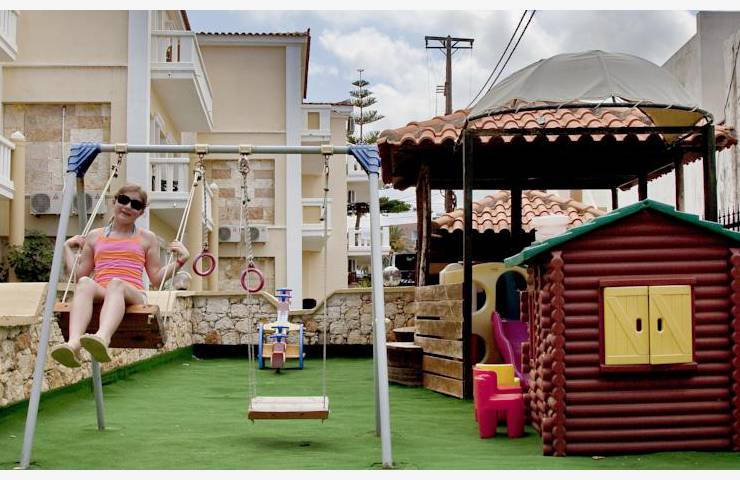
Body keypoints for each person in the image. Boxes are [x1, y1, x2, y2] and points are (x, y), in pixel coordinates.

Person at [50, 183, 190, 368]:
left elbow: (156, 279)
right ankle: (74, 343)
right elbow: (78, 276)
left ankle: (102, 338)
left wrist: (181, 261)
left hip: (134, 294)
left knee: (116, 283)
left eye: (135, 205)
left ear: (141, 212)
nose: (128, 206)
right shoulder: (94, 236)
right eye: (124, 200)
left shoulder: (147, 238)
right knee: (84, 282)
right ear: (115, 201)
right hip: (104, 290)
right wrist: (67, 248)